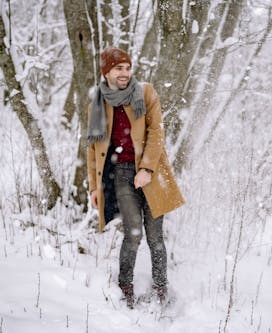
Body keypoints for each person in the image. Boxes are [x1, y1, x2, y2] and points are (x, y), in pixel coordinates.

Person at [86, 47, 184, 309]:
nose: (125, 73)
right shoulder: (97, 105)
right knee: (133, 233)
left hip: (152, 173)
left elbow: (156, 133)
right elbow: (93, 150)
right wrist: (94, 187)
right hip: (121, 174)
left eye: (128, 68)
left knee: (155, 236)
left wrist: (147, 170)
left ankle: (161, 287)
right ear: (106, 72)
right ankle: (125, 286)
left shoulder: (146, 93)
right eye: (119, 68)